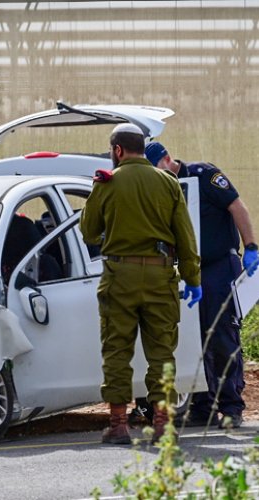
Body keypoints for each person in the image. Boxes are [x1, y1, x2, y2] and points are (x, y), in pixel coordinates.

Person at [80, 123, 202, 445]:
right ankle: (162, 422)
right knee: (162, 351)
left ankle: (119, 425)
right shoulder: (168, 182)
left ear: (117, 150)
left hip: (119, 277)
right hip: (161, 276)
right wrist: (193, 278)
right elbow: (185, 237)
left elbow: (89, 232)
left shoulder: (107, 183)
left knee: (117, 350)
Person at [142, 141, 258, 429]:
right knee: (193, 340)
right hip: (187, 272)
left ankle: (231, 407)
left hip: (219, 267)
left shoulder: (204, 175)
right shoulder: (159, 189)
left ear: (168, 159)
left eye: (157, 168)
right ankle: (202, 407)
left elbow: (237, 207)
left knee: (221, 336)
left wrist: (251, 246)